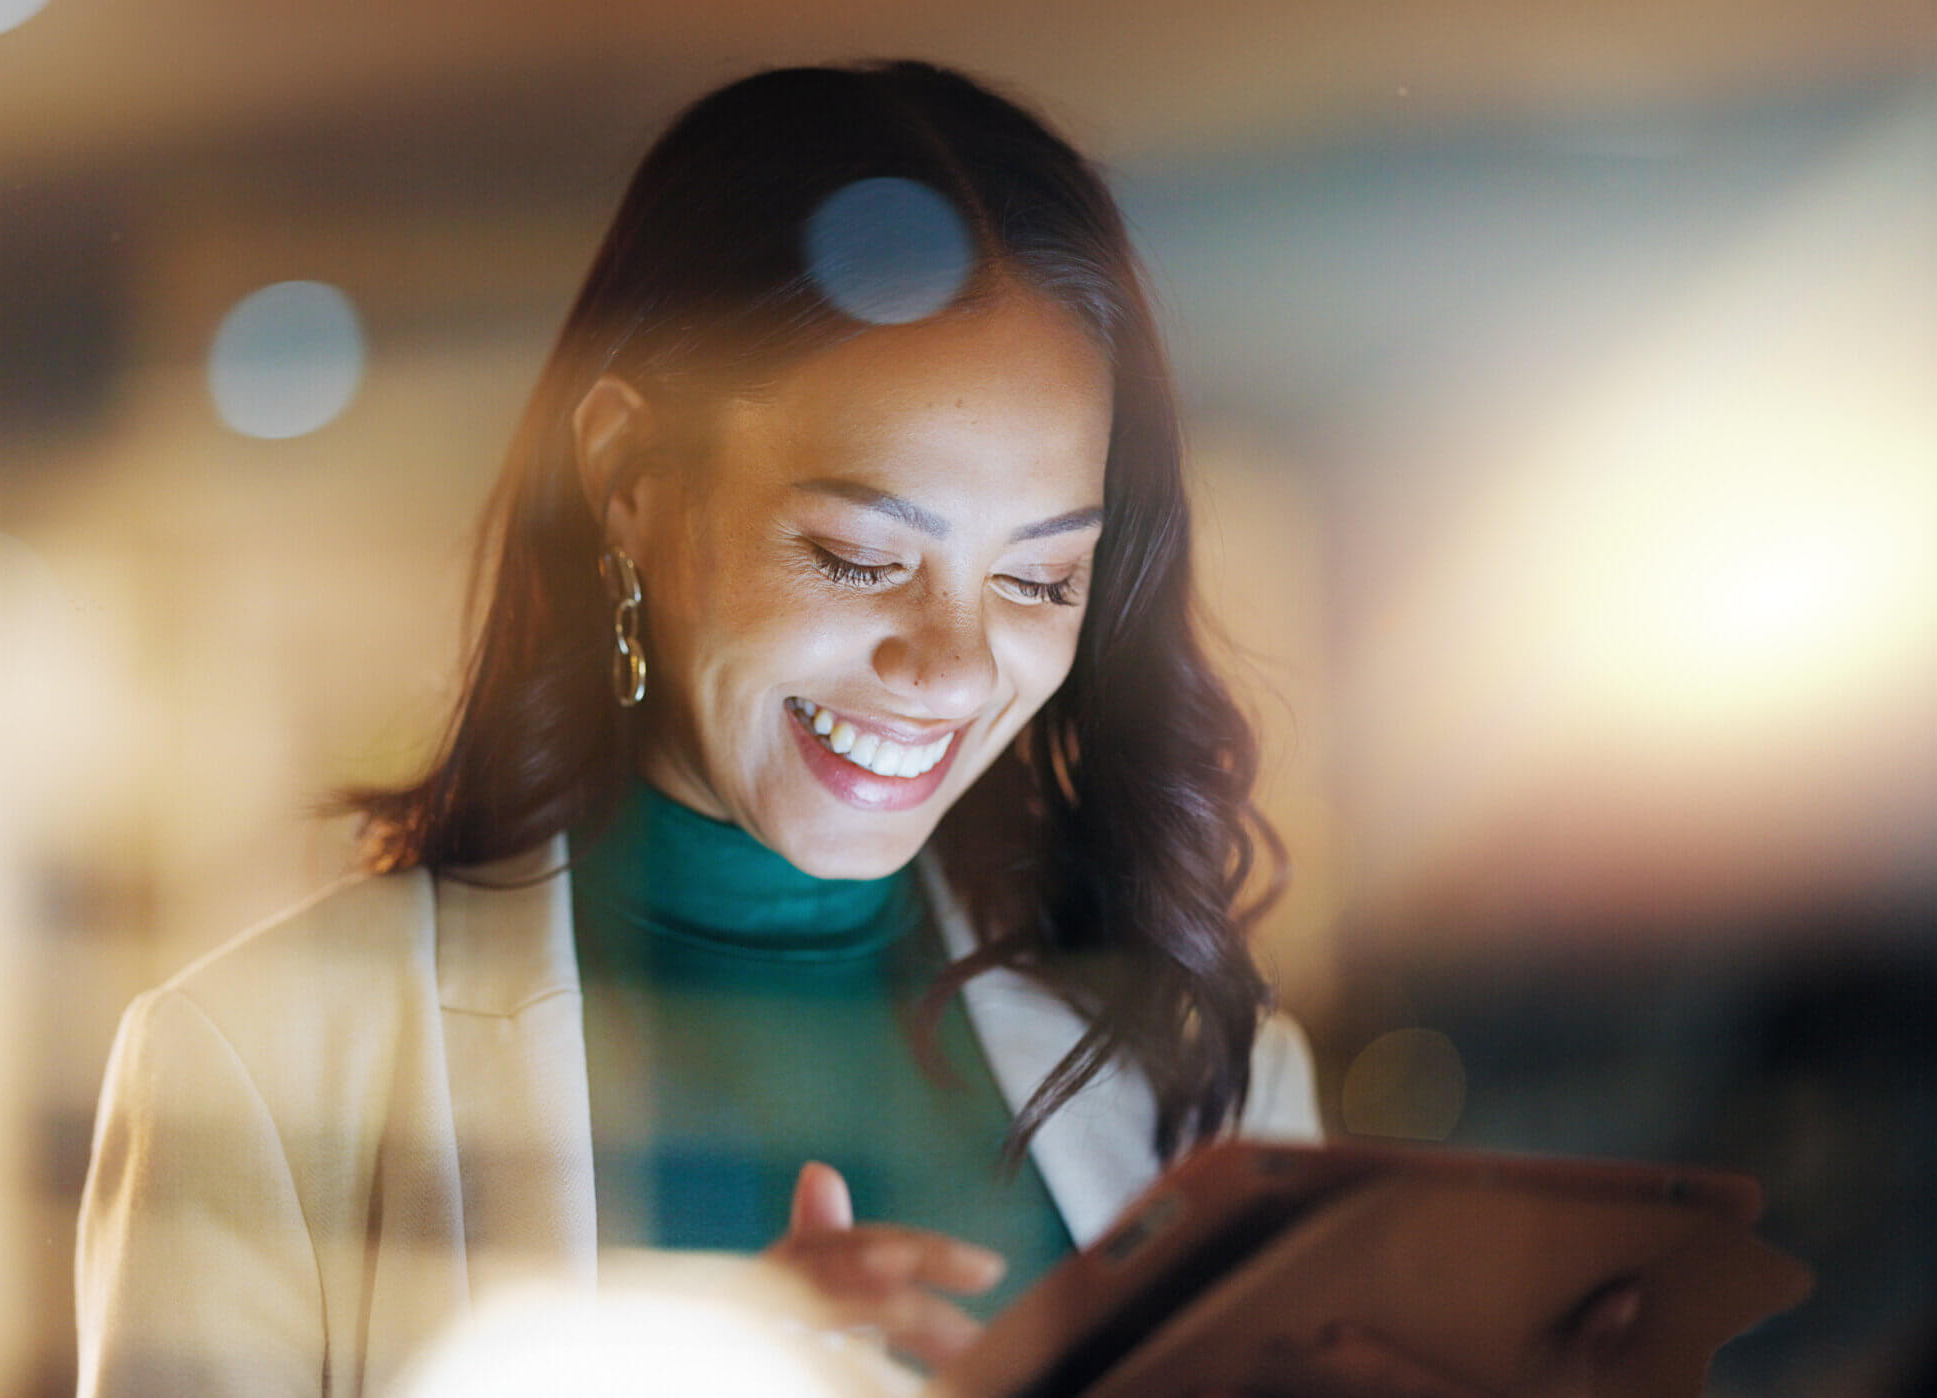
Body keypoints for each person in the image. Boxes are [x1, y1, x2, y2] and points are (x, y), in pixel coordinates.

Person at [74, 59, 1321, 1396]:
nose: (953, 668)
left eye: (1038, 578)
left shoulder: (1210, 1079)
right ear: (625, 479)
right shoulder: (257, 1064)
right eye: (855, 554)